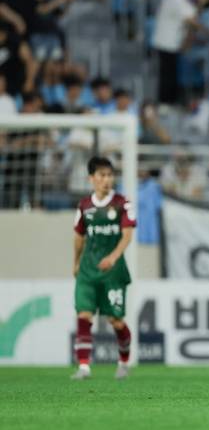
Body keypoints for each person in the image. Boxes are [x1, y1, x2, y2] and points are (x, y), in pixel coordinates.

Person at [71, 157, 136, 380]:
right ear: (91, 179)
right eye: (102, 175)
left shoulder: (122, 203)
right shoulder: (84, 206)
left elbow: (127, 236)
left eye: (109, 175)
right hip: (88, 270)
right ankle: (83, 367)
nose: (106, 180)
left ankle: (124, 362)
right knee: (84, 315)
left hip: (113, 272)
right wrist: (76, 262)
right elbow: (79, 237)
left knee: (115, 321)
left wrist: (113, 257)